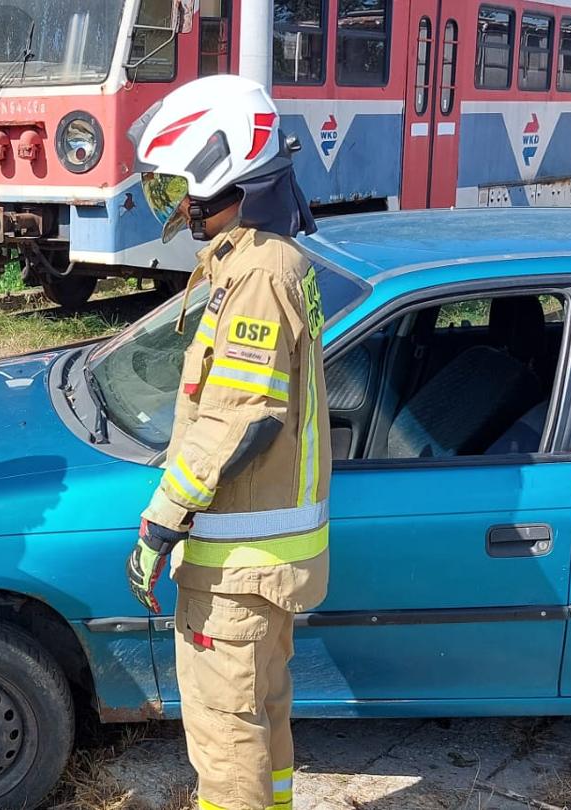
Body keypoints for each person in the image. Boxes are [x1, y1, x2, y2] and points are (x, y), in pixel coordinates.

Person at [123, 75, 329, 810]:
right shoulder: (261, 261)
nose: (179, 205)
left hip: (235, 570)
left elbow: (241, 418)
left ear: (227, 175)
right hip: (259, 563)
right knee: (262, 717)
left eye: (183, 187)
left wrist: (160, 523)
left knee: (225, 736)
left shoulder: (259, 274)